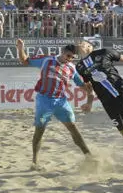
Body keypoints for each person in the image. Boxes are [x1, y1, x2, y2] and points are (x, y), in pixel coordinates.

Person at [15, 39, 93, 170]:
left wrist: (89, 89)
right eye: (68, 56)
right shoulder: (47, 60)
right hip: (44, 102)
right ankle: (34, 162)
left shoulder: (71, 68)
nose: (69, 59)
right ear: (62, 52)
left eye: (72, 58)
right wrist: (20, 48)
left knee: (73, 128)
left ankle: (89, 156)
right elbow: (24, 60)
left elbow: (83, 86)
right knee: (40, 130)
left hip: (61, 102)